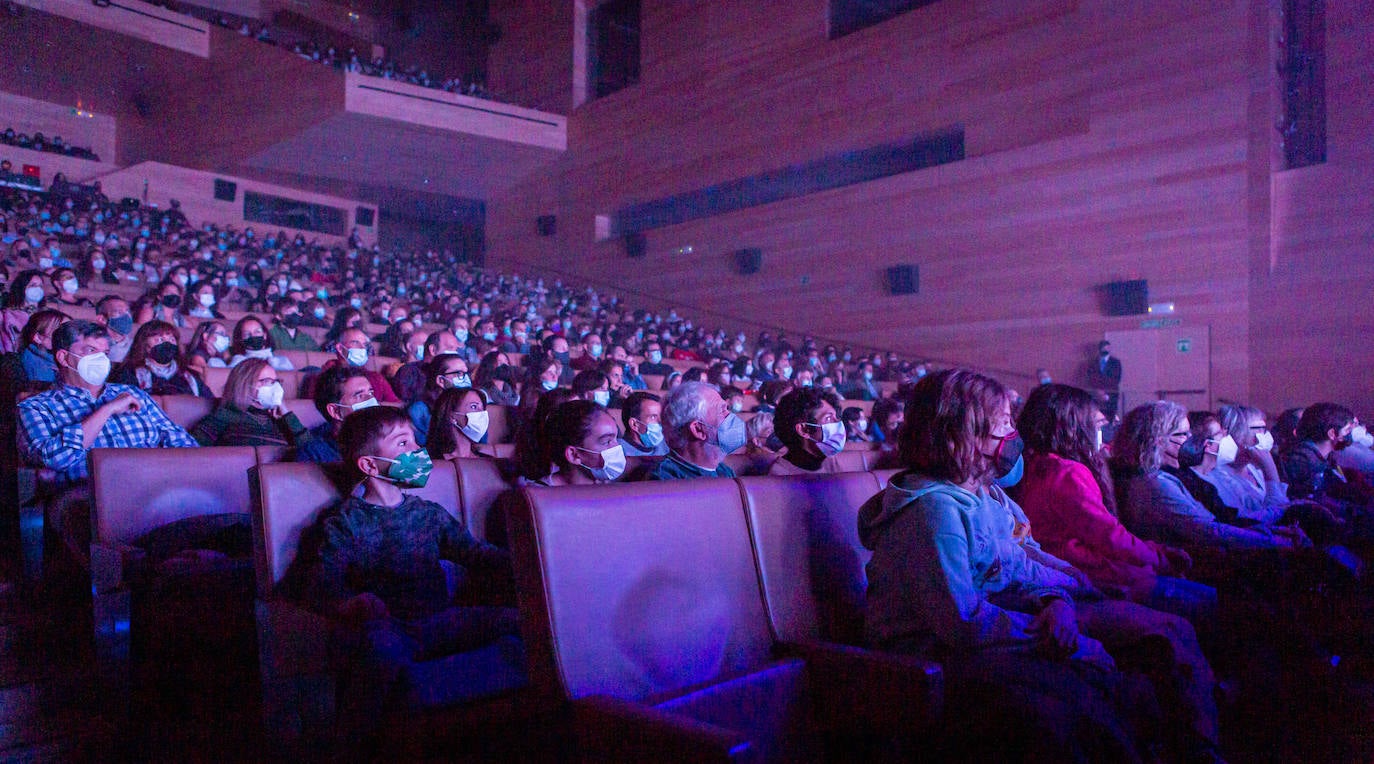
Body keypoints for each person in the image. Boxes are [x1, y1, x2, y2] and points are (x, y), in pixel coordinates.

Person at [859, 369, 1219, 762]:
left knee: (1121, 666)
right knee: (1078, 697)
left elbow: (1019, 562)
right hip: (934, 654)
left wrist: (1058, 596)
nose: (1015, 435)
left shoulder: (986, 492)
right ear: (961, 434)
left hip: (1002, 621)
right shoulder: (934, 512)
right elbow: (961, 622)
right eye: (1003, 424)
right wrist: (1055, 629)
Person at [299, 406, 523, 748]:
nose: (417, 451)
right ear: (370, 465)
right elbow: (323, 582)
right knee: (381, 650)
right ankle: (352, 746)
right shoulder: (346, 521)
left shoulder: (427, 513)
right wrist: (352, 603)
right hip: (392, 628)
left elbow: (476, 554)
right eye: (403, 444)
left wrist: (529, 564)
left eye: (415, 442)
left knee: (521, 623)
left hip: (441, 619)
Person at [1013, 384, 1211, 617]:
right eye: (1096, 425)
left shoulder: (1031, 466)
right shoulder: (1067, 473)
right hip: (1096, 579)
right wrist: (1161, 558)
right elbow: (1110, 538)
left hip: (1069, 575)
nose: (1101, 433)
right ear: (1073, 426)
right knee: (1208, 603)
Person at [18, 320, 199, 563]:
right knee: (126, 544)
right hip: (87, 492)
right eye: (91, 351)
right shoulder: (36, 406)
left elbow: (182, 442)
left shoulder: (132, 393)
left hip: (153, 486)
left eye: (104, 353)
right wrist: (106, 410)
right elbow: (57, 458)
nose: (101, 360)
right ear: (64, 357)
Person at [1111, 401, 1306, 556]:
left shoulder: (1171, 475)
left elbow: (1223, 521)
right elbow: (1207, 530)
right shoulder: (1153, 483)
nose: (1191, 438)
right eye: (1183, 434)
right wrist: (1274, 541)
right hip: (1195, 563)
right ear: (1158, 439)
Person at [189, 358, 315, 452]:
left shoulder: (280, 420)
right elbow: (191, 452)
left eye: (276, 382)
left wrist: (287, 414)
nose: (275, 387)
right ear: (245, 384)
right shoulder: (223, 416)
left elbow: (311, 451)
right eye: (267, 381)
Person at [1281, 403, 1374, 509]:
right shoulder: (1302, 461)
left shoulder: (1324, 457)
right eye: (1348, 430)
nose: (1351, 434)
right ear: (1332, 434)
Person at [649, 381, 743, 480]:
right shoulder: (663, 480)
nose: (732, 417)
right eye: (722, 411)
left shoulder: (725, 471)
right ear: (698, 430)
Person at [531, 399, 624, 486]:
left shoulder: (611, 487)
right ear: (573, 455)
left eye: (616, 439)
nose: (617, 447)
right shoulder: (540, 498)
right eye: (607, 442)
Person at [110, 320, 212, 398]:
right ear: (144, 345)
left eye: (172, 339)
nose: (167, 344)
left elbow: (207, 402)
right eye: (160, 339)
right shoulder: (129, 372)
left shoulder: (190, 376)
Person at [299, 365, 377, 464]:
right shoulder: (313, 453)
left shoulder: (385, 439)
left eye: (371, 393)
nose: (371, 400)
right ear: (335, 411)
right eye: (359, 395)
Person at [768, 387, 848, 475]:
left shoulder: (830, 462)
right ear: (803, 430)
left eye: (837, 417)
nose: (838, 423)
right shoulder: (780, 474)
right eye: (828, 418)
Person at [318, 327, 398, 403]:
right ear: (340, 348)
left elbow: (394, 405)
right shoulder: (323, 378)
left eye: (365, 344)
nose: (362, 347)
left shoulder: (376, 378)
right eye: (355, 342)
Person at [407, 353, 471, 447]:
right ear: (441, 380)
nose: (466, 378)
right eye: (459, 373)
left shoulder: (474, 407)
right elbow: (421, 448)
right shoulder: (418, 410)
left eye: (466, 373)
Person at [427, 386, 493, 460]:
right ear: (451, 416)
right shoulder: (425, 461)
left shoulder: (489, 462)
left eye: (483, 408)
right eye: (473, 407)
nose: (481, 413)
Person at [1, 269, 48, 353]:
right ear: (22, 288)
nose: (38, 289)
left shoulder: (47, 314)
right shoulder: (7, 315)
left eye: (40, 286)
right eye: (33, 285)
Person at [17, 308, 68, 385]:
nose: (70, 336)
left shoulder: (45, 357)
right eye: (61, 332)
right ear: (38, 338)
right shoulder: (39, 367)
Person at [229, 315, 295, 371]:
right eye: (247, 334)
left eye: (257, 332)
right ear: (241, 339)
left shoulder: (282, 361)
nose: (253, 336)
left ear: (265, 335)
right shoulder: (238, 361)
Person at [618, 392, 668, 458]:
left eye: (661, 416)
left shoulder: (665, 446)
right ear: (634, 424)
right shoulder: (617, 453)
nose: (661, 421)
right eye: (653, 417)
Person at [1087, 340, 1123, 420]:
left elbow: (1116, 379)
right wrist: (1098, 391)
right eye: (1103, 348)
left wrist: (1106, 393)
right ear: (1099, 349)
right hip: (1096, 396)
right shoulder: (1092, 363)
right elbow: (1090, 378)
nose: (1105, 350)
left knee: (1110, 418)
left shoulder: (1116, 362)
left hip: (1111, 395)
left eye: (1107, 348)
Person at [93, 295, 135, 364]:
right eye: (119, 312)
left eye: (128, 311)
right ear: (102, 319)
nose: (127, 316)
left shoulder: (136, 346)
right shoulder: (92, 345)